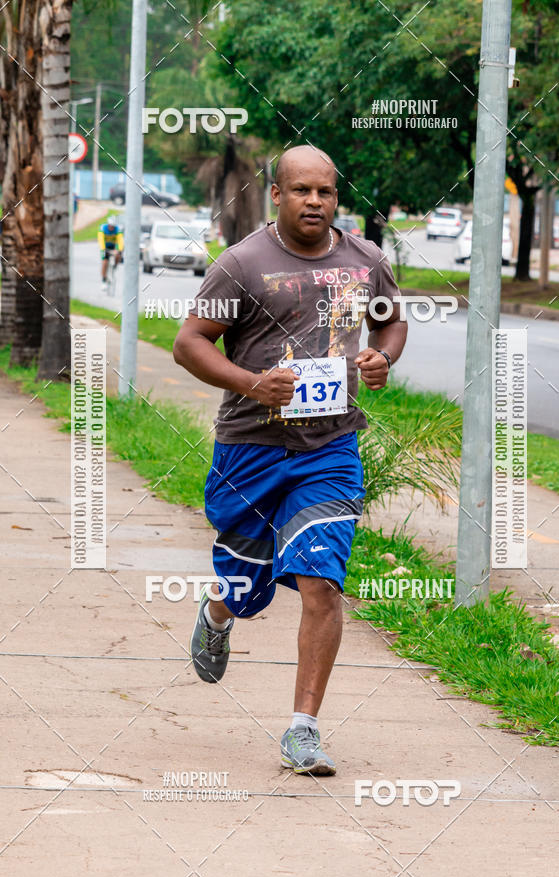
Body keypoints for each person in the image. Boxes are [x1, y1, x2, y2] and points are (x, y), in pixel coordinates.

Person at [173, 145, 407, 776]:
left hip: (329, 449)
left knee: (321, 582)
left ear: (336, 197)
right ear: (276, 194)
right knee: (246, 587)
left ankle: (303, 730)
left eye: (325, 191)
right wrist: (253, 383)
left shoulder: (365, 260)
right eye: (301, 190)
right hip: (248, 448)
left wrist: (383, 357)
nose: (314, 201)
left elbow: (391, 323)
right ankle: (219, 611)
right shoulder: (241, 264)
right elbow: (189, 343)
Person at [98, 215, 124, 289]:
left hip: (113, 247)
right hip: (105, 247)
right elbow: (101, 239)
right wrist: (103, 249)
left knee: (118, 255)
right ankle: (104, 279)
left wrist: (120, 249)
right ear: (108, 224)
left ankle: (115, 266)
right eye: (110, 226)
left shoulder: (117, 229)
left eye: (113, 226)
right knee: (105, 262)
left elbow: (120, 240)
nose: (111, 228)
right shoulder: (103, 228)